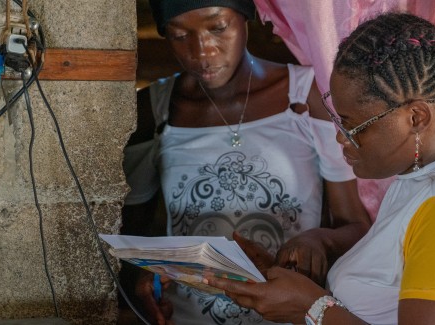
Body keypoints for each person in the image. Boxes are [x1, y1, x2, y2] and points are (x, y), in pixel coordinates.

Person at [206, 12, 435, 325]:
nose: (341, 136)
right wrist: (286, 281)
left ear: (416, 118)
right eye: (340, 120)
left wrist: (310, 307)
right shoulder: (420, 186)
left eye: (355, 125)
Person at [121, 0, 371, 324]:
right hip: (186, 316)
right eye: (180, 35)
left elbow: (356, 225)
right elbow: (130, 233)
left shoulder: (306, 97)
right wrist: (146, 276)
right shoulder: (154, 111)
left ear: (245, 18)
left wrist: (318, 239)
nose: (202, 52)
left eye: (218, 27)